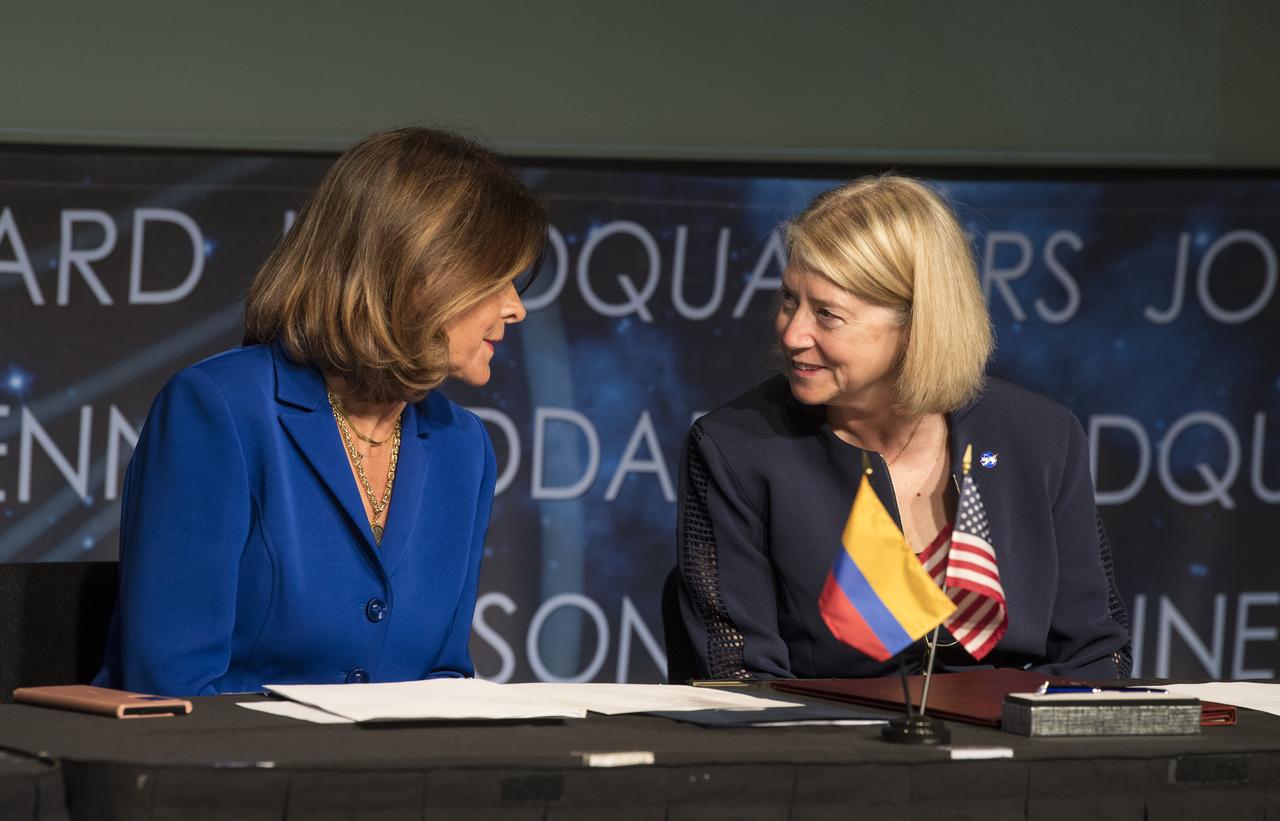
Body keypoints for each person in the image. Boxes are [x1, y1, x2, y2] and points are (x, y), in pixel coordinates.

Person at [94, 127, 547, 696]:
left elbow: (444, 676)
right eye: (497, 280)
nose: (517, 308)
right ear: (416, 271)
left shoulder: (463, 445)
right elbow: (173, 685)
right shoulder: (220, 411)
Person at [675, 174, 1129, 681]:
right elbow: (739, 675)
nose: (793, 332)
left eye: (827, 315)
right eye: (788, 300)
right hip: (830, 742)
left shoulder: (1039, 436)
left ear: (917, 324)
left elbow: (1095, 652)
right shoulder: (735, 450)